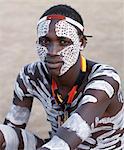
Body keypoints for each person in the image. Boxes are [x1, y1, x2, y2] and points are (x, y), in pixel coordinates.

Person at [0, 4, 124, 150]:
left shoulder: (105, 80)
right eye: (45, 41)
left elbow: (68, 139)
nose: (52, 51)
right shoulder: (31, 75)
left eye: (63, 42)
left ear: (82, 43)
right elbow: (11, 129)